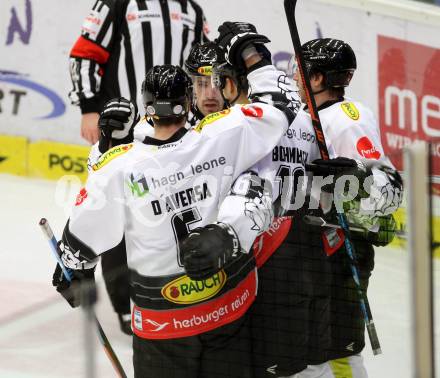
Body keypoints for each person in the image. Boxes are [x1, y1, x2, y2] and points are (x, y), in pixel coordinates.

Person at [53, 25, 299, 374]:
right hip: (227, 304)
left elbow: (81, 238)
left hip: (162, 324)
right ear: (187, 103)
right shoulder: (224, 134)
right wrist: (251, 53)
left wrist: (72, 270)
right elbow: (280, 103)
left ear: (147, 108)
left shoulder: (122, 164)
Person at [68, 0, 209, 333]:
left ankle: (174, 288)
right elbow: (85, 53)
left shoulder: (192, 9)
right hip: (124, 129)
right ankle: (126, 302)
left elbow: (204, 65)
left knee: (169, 208)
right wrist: (89, 107)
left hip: (178, 130)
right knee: (118, 213)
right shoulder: (117, 3)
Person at [289, 38, 403, 378]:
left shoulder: (346, 119)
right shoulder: (309, 116)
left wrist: (355, 179)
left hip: (343, 252)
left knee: (339, 353)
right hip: (316, 252)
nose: (295, 77)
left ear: (319, 79)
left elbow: (387, 191)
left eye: (301, 70)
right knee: (315, 354)